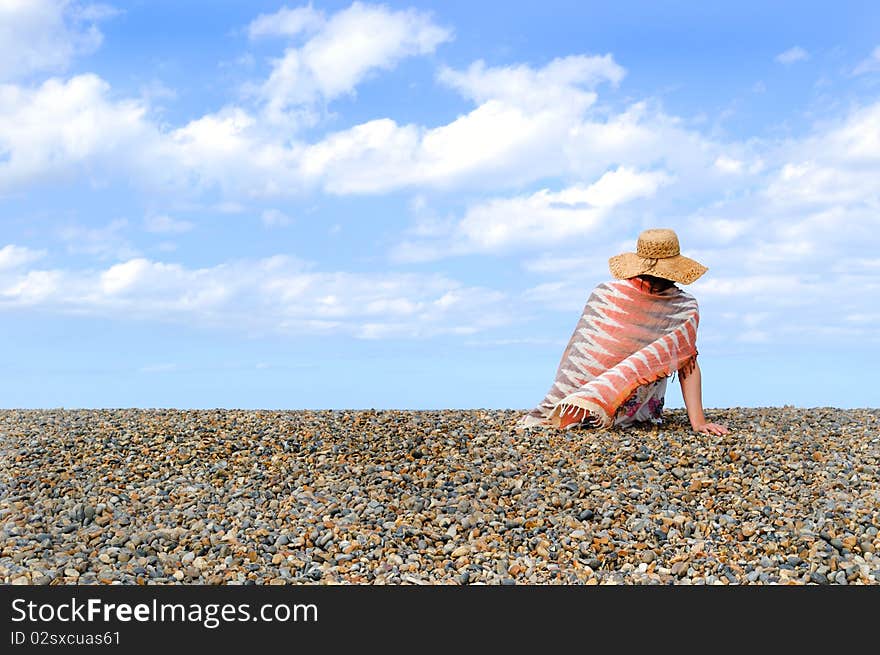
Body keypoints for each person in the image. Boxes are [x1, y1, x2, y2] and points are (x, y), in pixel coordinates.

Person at [517, 228, 729, 436]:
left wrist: (565, 393)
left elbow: (578, 356)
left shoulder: (609, 293)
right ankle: (592, 403)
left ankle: (585, 404)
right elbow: (687, 364)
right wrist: (698, 422)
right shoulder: (682, 305)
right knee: (659, 356)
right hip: (637, 412)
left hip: (605, 408)